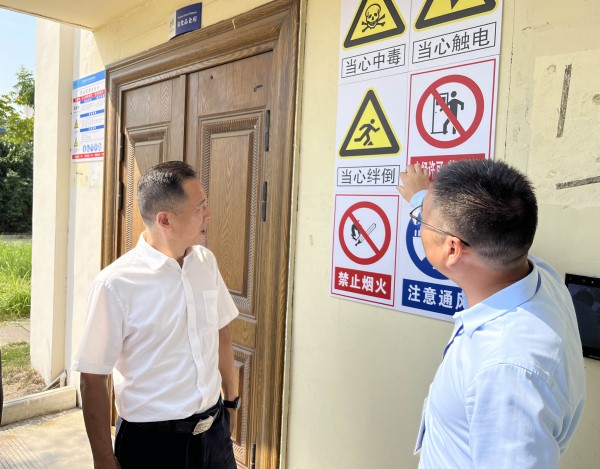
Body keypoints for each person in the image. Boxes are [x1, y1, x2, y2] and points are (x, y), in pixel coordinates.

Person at [397, 160, 586, 468]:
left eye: (421, 221)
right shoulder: (534, 275)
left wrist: (429, 208)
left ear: (452, 250)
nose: (419, 225)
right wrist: (423, 200)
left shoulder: (506, 372)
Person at [73, 161, 240, 469]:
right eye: (199, 208)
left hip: (214, 436)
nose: (209, 215)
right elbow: (93, 378)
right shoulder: (115, 284)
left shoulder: (205, 262)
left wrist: (231, 402)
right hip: (152, 446)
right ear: (165, 219)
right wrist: (103, 458)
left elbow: (221, 331)